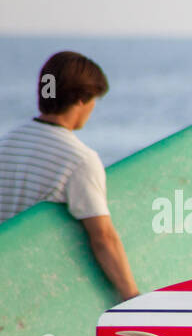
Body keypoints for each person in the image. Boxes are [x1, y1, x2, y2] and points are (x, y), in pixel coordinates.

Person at [0, 51, 139, 301]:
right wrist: (131, 296)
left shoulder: (6, 144)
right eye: (94, 99)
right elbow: (103, 238)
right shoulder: (79, 160)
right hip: (31, 292)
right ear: (80, 101)